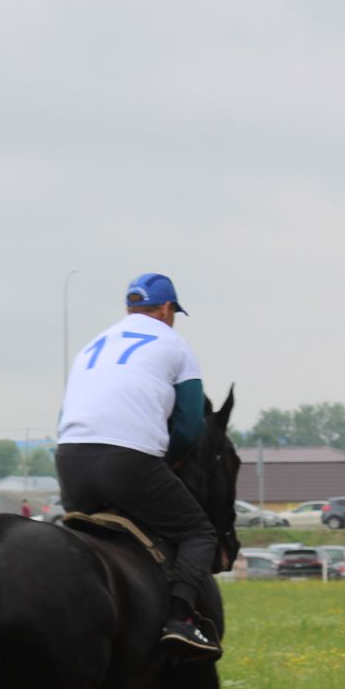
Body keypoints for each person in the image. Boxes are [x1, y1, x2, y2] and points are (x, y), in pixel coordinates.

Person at [57, 272, 219, 659]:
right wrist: (171, 455)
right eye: (173, 311)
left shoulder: (92, 345)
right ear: (165, 310)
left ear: (129, 308)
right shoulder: (176, 345)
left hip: (70, 460)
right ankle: (180, 621)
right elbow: (190, 423)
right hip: (126, 461)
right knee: (199, 533)